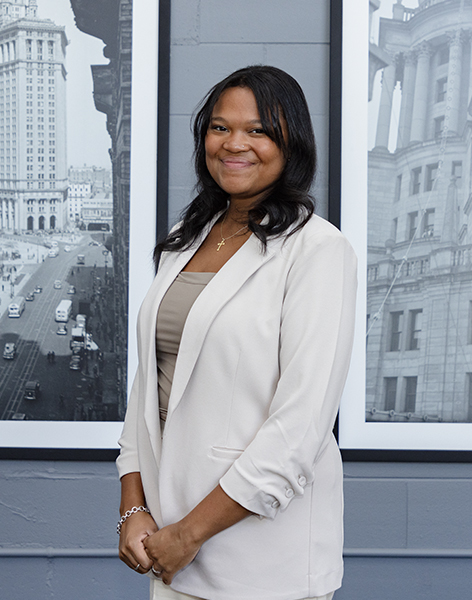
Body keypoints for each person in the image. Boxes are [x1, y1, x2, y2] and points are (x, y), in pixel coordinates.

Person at [116, 65, 357, 600]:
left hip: (261, 558)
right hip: (167, 544)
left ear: (291, 142)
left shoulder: (318, 251)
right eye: (220, 127)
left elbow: (300, 427)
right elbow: (150, 384)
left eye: (258, 130)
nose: (234, 144)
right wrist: (133, 505)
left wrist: (190, 532)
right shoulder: (187, 237)